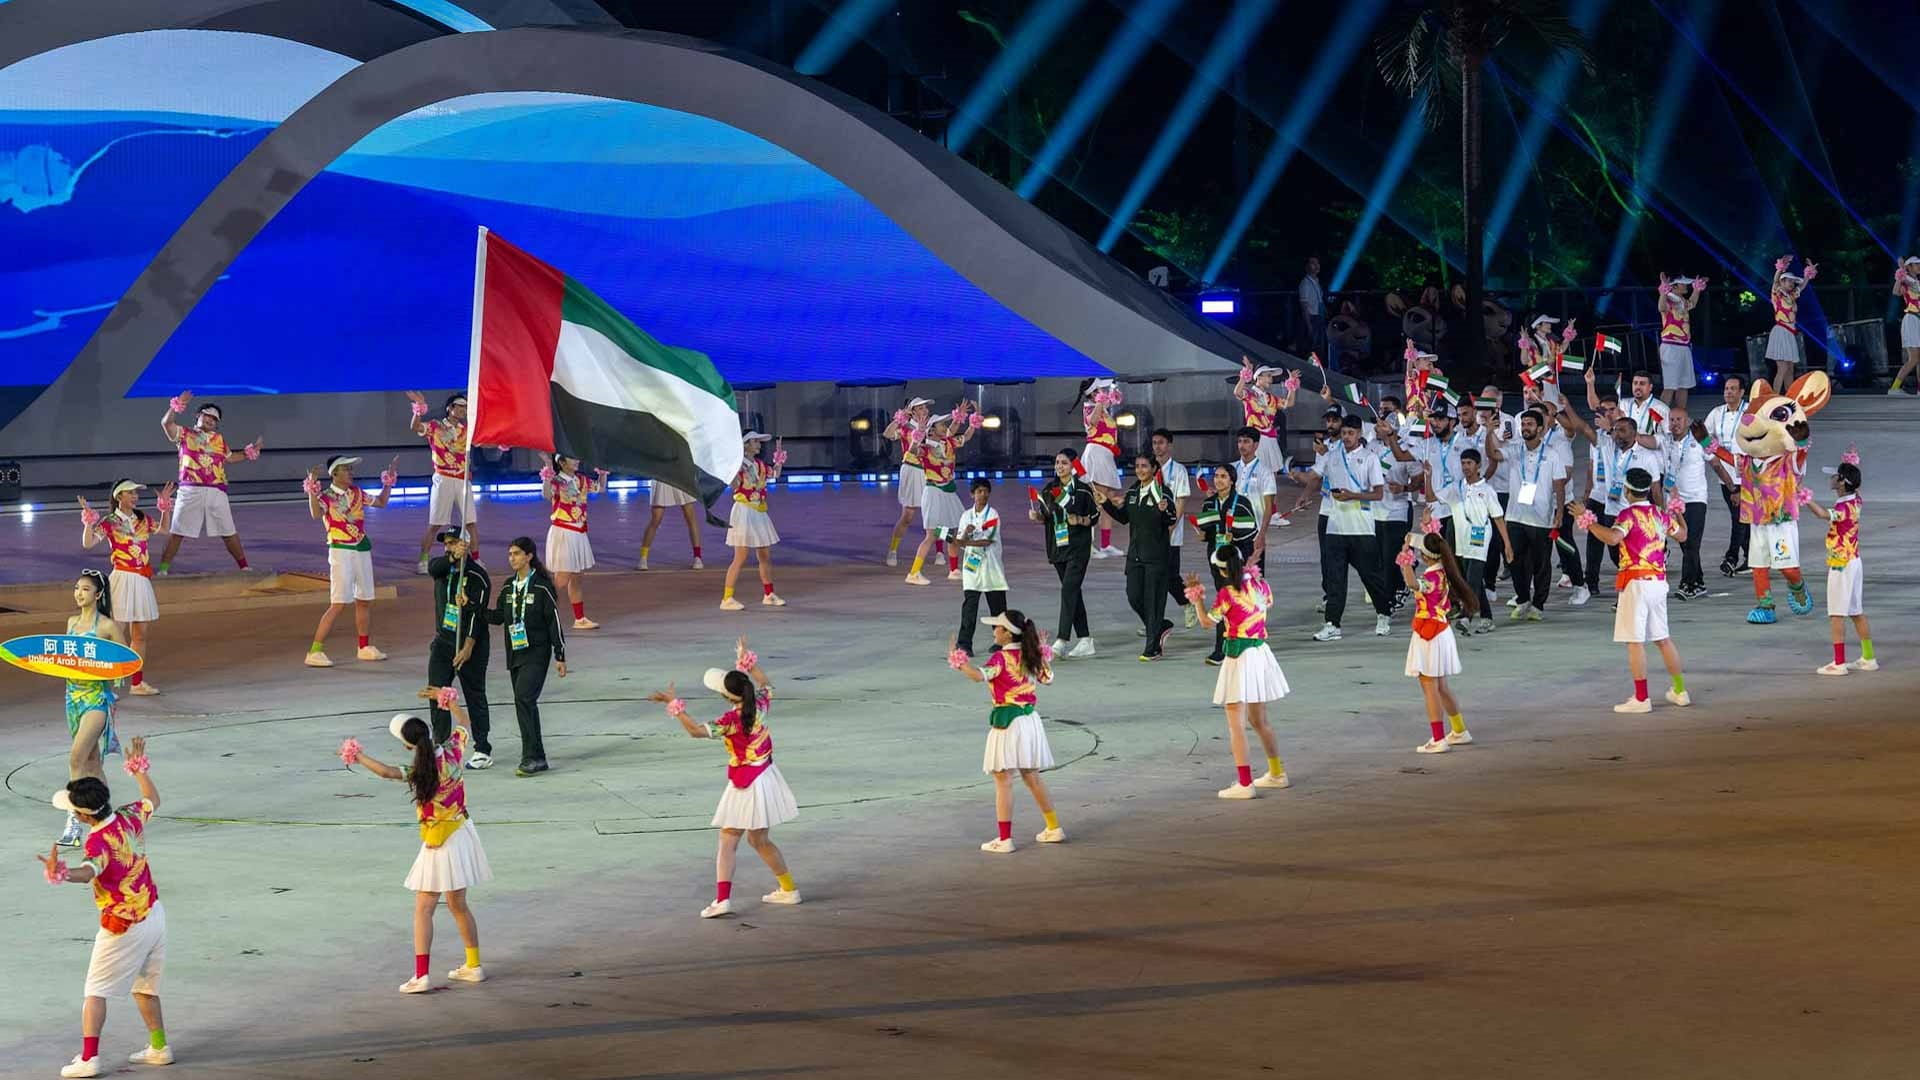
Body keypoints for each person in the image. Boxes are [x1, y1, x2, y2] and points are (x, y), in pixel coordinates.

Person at [36, 737, 172, 1077]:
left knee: (95, 991)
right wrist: (138, 770)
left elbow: (90, 870)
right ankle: (159, 1047)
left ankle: (89, 1058)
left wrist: (63, 872)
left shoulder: (97, 841)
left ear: (82, 814)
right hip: (153, 916)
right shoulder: (127, 817)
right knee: (144, 987)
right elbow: (152, 799)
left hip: (123, 926)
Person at [339, 690, 491, 993]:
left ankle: (421, 975)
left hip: (439, 844)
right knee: (458, 904)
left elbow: (385, 772)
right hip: (461, 833)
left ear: (408, 744)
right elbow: (466, 724)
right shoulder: (451, 752)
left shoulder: (418, 771)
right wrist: (450, 703)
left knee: (424, 909)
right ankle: (473, 966)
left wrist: (357, 755)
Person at [648, 637, 802, 918]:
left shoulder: (729, 722)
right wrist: (747, 661)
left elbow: (695, 731)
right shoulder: (760, 702)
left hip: (746, 783)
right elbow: (765, 682)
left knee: (728, 839)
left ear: (727, 697)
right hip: (765, 776)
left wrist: (675, 705)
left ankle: (722, 900)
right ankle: (788, 889)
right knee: (758, 840)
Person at [1572, 468, 1691, 713]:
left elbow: (1614, 539)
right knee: (1663, 639)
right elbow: (1683, 535)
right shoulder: (1659, 514)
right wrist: (1678, 513)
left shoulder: (1627, 515)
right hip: (1659, 582)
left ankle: (1641, 698)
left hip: (1635, 584)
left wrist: (1589, 521)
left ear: (1627, 491)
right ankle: (1680, 691)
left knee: (1635, 642)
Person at [948, 611, 1065, 850]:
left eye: (997, 628)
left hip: (1009, 721)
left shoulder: (1000, 659)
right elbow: (1049, 678)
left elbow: (977, 676)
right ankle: (1054, 828)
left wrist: (958, 662)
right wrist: (1043, 654)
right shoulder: (1031, 655)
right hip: (1030, 721)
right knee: (1032, 776)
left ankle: (1004, 839)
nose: (994, 632)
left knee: (1003, 780)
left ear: (1007, 633)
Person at [1185, 543, 1291, 798]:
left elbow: (1206, 623)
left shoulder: (1227, 594)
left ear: (1221, 571)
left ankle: (1245, 784)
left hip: (1240, 658)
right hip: (1261, 653)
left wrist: (1197, 599)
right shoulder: (1260, 584)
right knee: (1259, 720)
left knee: (1237, 726)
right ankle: (1277, 774)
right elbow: (1269, 603)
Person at [1558, 398, 1662, 608]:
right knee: (1618, 557)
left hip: (1636, 515)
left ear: (1634, 435)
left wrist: (1660, 514)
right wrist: (1566, 407)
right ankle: (1633, 591)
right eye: (1615, 430)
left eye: (1622, 431)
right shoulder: (1606, 446)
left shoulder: (1648, 457)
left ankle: (1629, 596)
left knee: (1630, 557)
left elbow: (1656, 490)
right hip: (1612, 511)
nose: (1617, 434)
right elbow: (1584, 427)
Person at [78, 480, 173, 696]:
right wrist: (88, 523)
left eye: (136, 493)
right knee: (113, 634)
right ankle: (98, 685)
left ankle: (137, 683)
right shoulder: (110, 521)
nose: (135, 497)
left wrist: (165, 508)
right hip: (121, 578)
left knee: (139, 635)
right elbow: (88, 543)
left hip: (141, 580)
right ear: (119, 497)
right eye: (130, 493)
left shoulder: (143, 519)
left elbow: (165, 530)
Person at [302, 455, 394, 667]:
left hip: (361, 548)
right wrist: (311, 491)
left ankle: (364, 647)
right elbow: (316, 514)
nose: (351, 472)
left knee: (363, 600)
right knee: (338, 603)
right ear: (334, 474)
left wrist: (387, 483)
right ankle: (314, 651)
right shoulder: (325, 496)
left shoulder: (358, 493)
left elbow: (380, 502)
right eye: (346, 469)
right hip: (340, 550)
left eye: (351, 469)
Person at [153, 393, 260, 575]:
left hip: (216, 491)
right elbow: (166, 424)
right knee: (177, 531)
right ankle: (163, 570)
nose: (210, 420)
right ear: (198, 416)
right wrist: (176, 406)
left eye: (214, 419)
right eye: (207, 415)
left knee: (229, 531)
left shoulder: (219, 439)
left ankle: (244, 567)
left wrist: (248, 453)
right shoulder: (185, 434)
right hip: (190, 490)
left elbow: (230, 457)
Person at [57, 570, 126, 848]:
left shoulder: (107, 626)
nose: (79, 593)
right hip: (72, 698)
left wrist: (107, 674)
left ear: (98, 594)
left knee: (76, 759)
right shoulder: (71, 623)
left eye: (85, 589)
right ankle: (109, 822)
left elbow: (125, 661)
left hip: (96, 700)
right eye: (76, 588)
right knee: (92, 764)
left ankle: (74, 819)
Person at [487, 537, 567, 777]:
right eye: (510, 553)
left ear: (529, 556)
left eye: (517, 553)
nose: (512, 558)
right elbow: (499, 616)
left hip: (537, 652)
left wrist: (559, 654)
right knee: (525, 703)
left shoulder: (542, 587)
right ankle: (538, 756)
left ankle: (530, 757)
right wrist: (470, 607)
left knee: (523, 698)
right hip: (515, 652)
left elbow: (554, 622)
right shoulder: (508, 586)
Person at [1311, 416, 1393, 642]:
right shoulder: (1332, 456)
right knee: (1335, 578)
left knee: (1370, 575)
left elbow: (1378, 493)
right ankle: (1332, 624)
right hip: (1336, 527)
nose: (1346, 437)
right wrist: (1300, 486)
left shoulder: (1370, 458)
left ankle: (1383, 614)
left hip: (1362, 528)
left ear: (1359, 435)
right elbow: (1316, 478)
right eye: (1344, 433)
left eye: (1351, 433)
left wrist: (1351, 495)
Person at [1400, 529, 1477, 753]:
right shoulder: (1444, 569)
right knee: (1441, 686)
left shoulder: (1431, 578)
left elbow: (1412, 583)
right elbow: (1433, 541)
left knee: (1429, 687)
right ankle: (1459, 730)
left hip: (1429, 635)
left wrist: (1405, 557)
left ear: (1424, 557)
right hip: (1441, 631)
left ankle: (1437, 739)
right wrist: (1424, 528)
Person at [1100, 454, 1177, 660]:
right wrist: (1105, 504)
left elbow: (1171, 519)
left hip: (1156, 557)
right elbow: (1124, 518)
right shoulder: (1133, 491)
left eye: (1145, 466)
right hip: (1135, 556)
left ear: (1154, 469)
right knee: (1134, 597)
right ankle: (1159, 627)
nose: (1140, 470)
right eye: (1137, 466)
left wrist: (1164, 510)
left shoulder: (1162, 492)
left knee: (1153, 602)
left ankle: (1153, 648)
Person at [427, 529, 493, 764]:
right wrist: (453, 557)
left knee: (475, 695)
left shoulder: (478, 576)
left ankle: (483, 748)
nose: (447, 547)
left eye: (453, 542)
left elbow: (478, 616)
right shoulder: (443, 569)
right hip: (444, 640)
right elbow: (432, 567)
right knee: (436, 693)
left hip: (470, 644)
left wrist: (467, 647)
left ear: (465, 544)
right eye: (446, 543)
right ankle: (441, 746)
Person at [1806, 459, 1877, 675]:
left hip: (1841, 564)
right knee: (1856, 611)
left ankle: (1838, 663)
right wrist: (1852, 462)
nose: (1832, 478)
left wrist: (1805, 498)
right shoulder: (1857, 499)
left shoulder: (1842, 507)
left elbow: (1821, 514)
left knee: (1836, 613)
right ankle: (1868, 657)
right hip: (1855, 561)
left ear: (1843, 483)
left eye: (1836, 476)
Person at [1503, 408, 1570, 620]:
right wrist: (1489, 432)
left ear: (1540, 428)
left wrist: (1559, 512)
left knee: (1541, 564)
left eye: (1530, 424)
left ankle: (1538, 605)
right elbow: (1494, 454)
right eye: (1523, 424)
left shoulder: (1552, 454)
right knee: (1514, 561)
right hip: (1515, 516)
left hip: (1541, 518)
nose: (1525, 428)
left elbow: (1558, 485)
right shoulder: (1514, 450)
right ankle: (1522, 599)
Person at [1032, 449, 1099, 660]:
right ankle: (1086, 639)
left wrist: (1080, 520)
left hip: (1078, 548)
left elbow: (1095, 516)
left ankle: (1061, 640)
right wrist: (1038, 517)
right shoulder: (1049, 490)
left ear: (1072, 466)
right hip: (1058, 548)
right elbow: (1046, 516)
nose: (1059, 466)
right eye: (1057, 462)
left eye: (1064, 463)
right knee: (1072, 591)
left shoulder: (1083, 491)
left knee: (1069, 589)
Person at [1438, 448, 1512, 634]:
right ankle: (1487, 618)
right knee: (1474, 580)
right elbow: (1433, 497)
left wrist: (1507, 544)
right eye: (1463, 463)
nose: (1466, 467)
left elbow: (1498, 518)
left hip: (1480, 537)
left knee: (1472, 578)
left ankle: (1466, 616)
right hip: (1462, 539)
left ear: (1478, 465)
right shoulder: (1457, 487)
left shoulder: (1487, 490)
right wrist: (1428, 476)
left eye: (1469, 463)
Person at [1194, 465, 1261, 666]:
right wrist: (1203, 534)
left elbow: (1251, 530)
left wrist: (1235, 535)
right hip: (1216, 557)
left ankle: (1224, 648)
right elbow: (1206, 531)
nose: (1219, 480)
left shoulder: (1241, 503)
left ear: (1232, 480)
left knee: (1231, 600)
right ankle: (1227, 646)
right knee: (1225, 599)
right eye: (1216, 476)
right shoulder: (1209, 503)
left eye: (1223, 477)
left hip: (1236, 558)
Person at [403, 391, 476, 575]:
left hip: (462, 478)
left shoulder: (466, 430)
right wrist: (418, 409)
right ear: (449, 408)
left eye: (465, 407)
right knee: (435, 524)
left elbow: (484, 441)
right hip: (443, 478)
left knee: (471, 523)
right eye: (459, 406)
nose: (462, 410)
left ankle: (476, 558)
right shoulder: (435, 426)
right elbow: (415, 427)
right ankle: (424, 560)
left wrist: (502, 443)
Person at [905, 406, 980, 585]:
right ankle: (913, 573)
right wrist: (917, 435)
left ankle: (954, 570)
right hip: (934, 493)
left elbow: (967, 436)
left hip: (948, 493)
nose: (944, 426)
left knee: (954, 531)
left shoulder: (949, 443)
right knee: (931, 535)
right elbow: (913, 451)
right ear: (932, 430)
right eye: (941, 424)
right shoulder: (926, 448)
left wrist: (973, 422)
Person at [721, 433, 786, 610]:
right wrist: (731, 469)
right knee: (740, 557)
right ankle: (727, 598)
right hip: (744, 511)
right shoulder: (738, 464)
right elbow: (734, 485)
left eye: (758, 442)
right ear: (745, 445)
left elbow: (776, 474)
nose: (758, 444)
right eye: (755, 441)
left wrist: (779, 458)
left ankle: (768, 594)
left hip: (759, 511)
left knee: (764, 556)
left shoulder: (760, 465)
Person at [540, 452, 604, 631]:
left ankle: (580, 618)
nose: (577, 461)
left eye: (577, 457)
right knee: (561, 580)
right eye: (572, 458)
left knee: (576, 578)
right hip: (564, 532)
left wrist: (603, 474)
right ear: (561, 462)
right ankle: (535, 611)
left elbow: (601, 489)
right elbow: (546, 494)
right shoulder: (556, 481)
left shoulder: (582, 480)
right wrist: (547, 473)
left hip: (579, 533)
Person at [950, 478, 1007, 657]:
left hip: (991, 566)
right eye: (978, 491)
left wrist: (965, 540)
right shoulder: (966, 515)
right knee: (969, 606)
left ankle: (1002, 642)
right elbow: (959, 541)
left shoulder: (993, 515)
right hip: (972, 568)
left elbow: (987, 540)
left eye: (985, 491)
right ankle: (964, 644)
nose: (982, 494)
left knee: (997, 607)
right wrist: (965, 533)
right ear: (972, 494)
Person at [1701, 375, 1750, 576]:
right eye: (1726, 388)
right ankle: (1751, 557)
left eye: (1733, 389)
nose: (1728, 392)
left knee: (1739, 517)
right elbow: (1702, 436)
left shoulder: (1750, 412)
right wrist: (1711, 456)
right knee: (1740, 517)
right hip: (1725, 475)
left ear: (1741, 392)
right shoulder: (1716, 413)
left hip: (1747, 475)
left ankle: (1731, 557)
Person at [1150, 429, 1197, 628]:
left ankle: (1187, 603)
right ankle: (1152, 621)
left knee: (1169, 576)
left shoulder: (1178, 471)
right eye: (1154, 443)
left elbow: (1181, 501)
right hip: (1149, 532)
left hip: (1171, 533)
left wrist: (1171, 526)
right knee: (1151, 579)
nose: (1157, 447)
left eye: (1161, 443)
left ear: (1169, 445)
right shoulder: (1149, 469)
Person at [1664, 409, 1711, 600]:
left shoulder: (1699, 441)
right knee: (1685, 544)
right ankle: (1698, 581)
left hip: (1696, 498)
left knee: (1691, 542)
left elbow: (1716, 460)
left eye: (1679, 419)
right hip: (1674, 502)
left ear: (1687, 421)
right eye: (1672, 419)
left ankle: (1687, 584)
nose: (1675, 423)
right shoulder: (1664, 441)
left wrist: (1732, 487)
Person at [882, 396, 934, 566]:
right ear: (912, 411)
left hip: (930, 470)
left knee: (934, 514)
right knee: (908, 516)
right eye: (920, 408)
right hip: (912, 470)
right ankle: (893, 550)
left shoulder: (933, 425)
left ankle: (940, 552)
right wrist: (900, 418)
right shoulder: (906, 428)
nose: (924, 410)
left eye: (925, 407)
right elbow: (888, 434)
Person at [1078, 379, 1125, 556]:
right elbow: (1092, 422)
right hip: (1096, 454)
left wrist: (1112, 393)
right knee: (1097, 501)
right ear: (1092, 392)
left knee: (1108, 501)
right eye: (1099, 389)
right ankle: (1088, 545)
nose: (1102, 391)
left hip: (1106, 454)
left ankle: (1106, 544)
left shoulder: (1102, 407)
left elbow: (1116, 398)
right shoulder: (1089, 407)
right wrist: (1099, 402)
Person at [1231, 359, 1297, 484]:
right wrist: (1245, 374)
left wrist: (1292, 386)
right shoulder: (1250, 394)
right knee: (1253, 475)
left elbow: (1289, 403)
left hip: (1270, 439)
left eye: (1271, 376)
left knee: (1272, 475)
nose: (1271, 379)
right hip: (1255, 439)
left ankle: (1270, 502)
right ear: (1258, 377)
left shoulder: (1271, 398)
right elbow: (1237, 392)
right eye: (1268, 376)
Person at [1657, 274, 1706, 413]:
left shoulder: (1681, 300)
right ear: (1674, 286)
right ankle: (1657, 422)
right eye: (1683, 284)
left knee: (1683, 385)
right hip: (1671, 347)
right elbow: (1661, 308)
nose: (1686, 286)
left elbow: (1692, 303)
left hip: (1684, 347)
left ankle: (1680, 417)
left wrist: (1697, 290)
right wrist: (1663, 292)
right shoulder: (1669, 299)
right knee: (1670, 386)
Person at [1767, 255, 1815, 392]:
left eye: (1793, 282)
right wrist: (1780, 268)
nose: (1792, 284)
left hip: (1789, 333)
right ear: (1783, 282)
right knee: (1782, 368)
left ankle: (1790, 398)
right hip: (1781, 331)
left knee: (1790, 369)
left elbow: (1803, 286)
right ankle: (1774, 397)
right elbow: (1775, 281)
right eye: (1789, 281)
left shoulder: (1791, 296)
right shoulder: (1777, 294)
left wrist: (1808, 274)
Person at [638, 479, 703, 571]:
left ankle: (698, 557)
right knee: (656, 518)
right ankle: (643, 558)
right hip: (661, 475)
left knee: (690, 517)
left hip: (679, 473)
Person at [1891, 257, 1920, 395]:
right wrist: (1900, 274)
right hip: (1912, 319)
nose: (1919, 266)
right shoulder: (1906, 280)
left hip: (1918, 320)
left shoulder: (1917, 282)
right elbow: (1896, 292)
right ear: (1909, 267)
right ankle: (1894, 388)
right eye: (1916, 264)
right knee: (1914, 358)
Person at [1299, 255, 1327, 363]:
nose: (1316, 266)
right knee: (1313, 348)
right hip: (1312, 317)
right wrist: (1308, 324)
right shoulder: (1305, 283)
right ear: (1307, 266)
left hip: (1319, 317)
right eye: (1313, 263)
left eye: (1317, 263)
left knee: (1321, 347)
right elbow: (1304, 305)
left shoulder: (1317, 282)